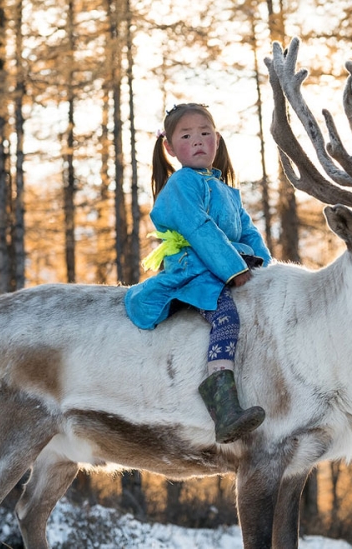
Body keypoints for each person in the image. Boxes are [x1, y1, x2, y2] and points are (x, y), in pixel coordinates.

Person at [124, 103, 272, 444]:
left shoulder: (223, 188)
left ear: (217, 140)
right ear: (171, 148)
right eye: (187, 136)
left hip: (223, 265)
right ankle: (224, 406)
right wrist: (234, 270)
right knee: (227, 317)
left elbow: (247, 233)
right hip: (197, 271)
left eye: (205, 133)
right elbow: (199, 228)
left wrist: (267, 269)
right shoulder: (181, 185)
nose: (199, 141)